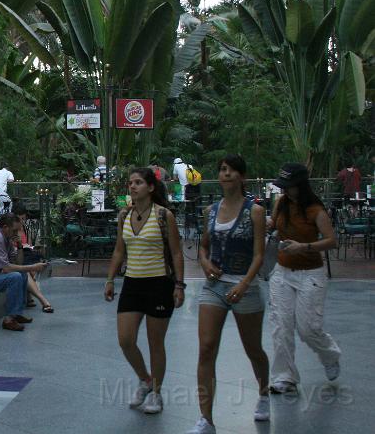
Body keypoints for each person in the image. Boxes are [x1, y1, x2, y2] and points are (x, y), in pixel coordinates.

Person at [188, 155, 270, 434]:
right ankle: (206, 419)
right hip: (215, 286)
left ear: (242, 177)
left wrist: (244, 284)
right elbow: (203, 246)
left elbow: (260, 255)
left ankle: (264, 392)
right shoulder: (210, 210)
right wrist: (204, 262)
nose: (226, 174)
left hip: (245, 287)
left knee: (253, 349)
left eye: (232, 170)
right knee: (207, 347)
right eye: (222, 170)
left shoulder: (255, 212)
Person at [104, 167, 185, 415]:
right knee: (125, 340)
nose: (133, 186)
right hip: (132, 283)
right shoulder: (124, 216)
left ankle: (157, 394)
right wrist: (110, 279)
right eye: (130, 183)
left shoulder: (164, 216)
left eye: (138, 182)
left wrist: (179, 285)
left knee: (155, 342)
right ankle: (145, 379)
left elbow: (176, 252)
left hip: (159, 283)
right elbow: (120, 250)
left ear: (150, 187)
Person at [268, 162, 341, 394]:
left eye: (289, 186)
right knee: (281, 325)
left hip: (310, 273)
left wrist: (304, 247)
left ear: (300, 185)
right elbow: (274, 225)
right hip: (282, 271)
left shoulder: (315, 209)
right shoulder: (281, 203)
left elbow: (331, 240)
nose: (285, 190)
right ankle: (284, 376)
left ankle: (329, 355)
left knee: (308, 328)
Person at [12, 204, 53, 313]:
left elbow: (29, 243)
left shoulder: (25, 227)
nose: (22, 221)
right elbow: (11, 248)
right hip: (16, 254)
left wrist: (31, 247)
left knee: (37, 261)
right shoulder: (11, 229)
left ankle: (29, 296)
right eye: (20, 218)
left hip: (26, 251)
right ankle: (37, 299)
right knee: (28, 269)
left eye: (24, 218)